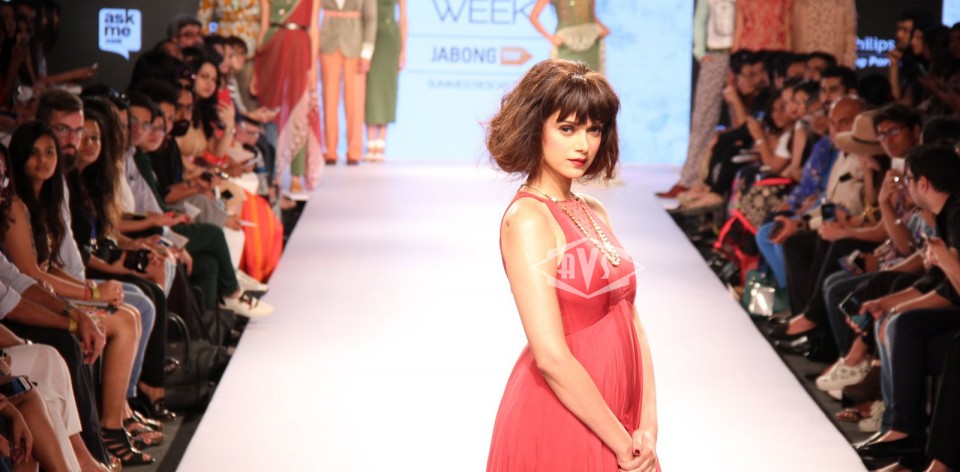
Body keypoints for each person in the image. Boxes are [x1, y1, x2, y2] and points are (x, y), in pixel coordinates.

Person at [485, 59, 659, 471]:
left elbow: (631, 319)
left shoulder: (593, 210)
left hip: (619, 416)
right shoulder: (528, 219)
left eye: (594, 130)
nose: (583, 145)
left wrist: (648, 426)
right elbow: (550, 355)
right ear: (535, 128)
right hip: (565, 418)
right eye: (567, 128)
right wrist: (621, 443)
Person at [255, 0, 322, 192]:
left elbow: (314, 29)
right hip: (273, 45)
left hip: (300, 46)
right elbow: (264, 25)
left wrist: (313, 68)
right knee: (271, 109)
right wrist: (256, 68)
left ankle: (296, 174)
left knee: (299, 109)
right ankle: (273, 172)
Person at [319, 0, 376, 167]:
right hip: (328, 42)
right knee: (329, 98)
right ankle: (329, 150)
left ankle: (354, 150)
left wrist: (367, 52)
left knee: (355, 100)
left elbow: (371, 18)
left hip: (355, 44)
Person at [363, 0, 406, 163]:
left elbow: (403, 18)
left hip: (389, 38)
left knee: (387, 89)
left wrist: (403, 50)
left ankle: (381, 142)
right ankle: (370, 142)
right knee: (371, 88)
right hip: (370, 36)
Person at [529, 0, 610, 74]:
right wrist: (550, 37)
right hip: (566, 42)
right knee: (563, 77)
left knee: (592, 77)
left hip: (591, 42)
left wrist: (602, 28)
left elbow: (591, 16)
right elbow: (533, 16)